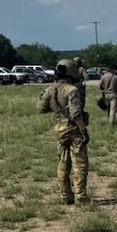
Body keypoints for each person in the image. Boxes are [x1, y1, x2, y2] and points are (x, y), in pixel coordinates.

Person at [38, 58, 90, 205]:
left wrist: (56, 107)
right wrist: (83, 131)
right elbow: (76, 114)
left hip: (59, 129)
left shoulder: (51, 89)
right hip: (74, 129)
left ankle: (65, 196)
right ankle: (81, 196)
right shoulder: (72, 90)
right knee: (79, 164)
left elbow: (41, 108)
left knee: (63, 163)